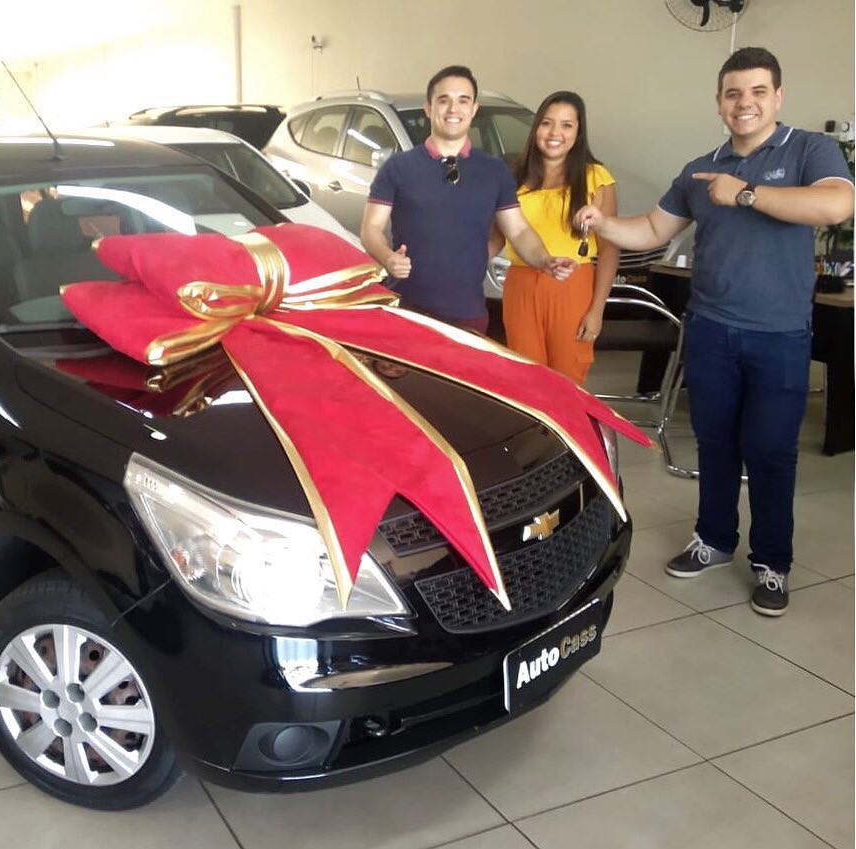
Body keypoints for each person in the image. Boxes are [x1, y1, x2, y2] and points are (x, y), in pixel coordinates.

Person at [576, 47, 854, 616]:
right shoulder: (700, 169)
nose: (744, 103)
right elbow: (652, 228)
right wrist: (602, 223)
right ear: (720, 102)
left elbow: (837, 205)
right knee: (715, 442)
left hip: (779, 335)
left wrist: (746, 193)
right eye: (733, 93)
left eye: (757, 92)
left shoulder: (808, 149)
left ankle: (772, 562)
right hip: (710, 330)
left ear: (778, 97)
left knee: (771, 451)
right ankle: (714, 539)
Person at [361, 65, 576, 334]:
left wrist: (546, 260)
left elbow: (518, 230)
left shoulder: (494, 171)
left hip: (468, 313)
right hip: (407, 308)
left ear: (474, 109)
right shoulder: (398, 167)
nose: (454, 109)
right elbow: (371, 229)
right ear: (428, 108)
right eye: (444, 100)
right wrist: (388, 257)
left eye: (463, 100)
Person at [491, 91, 618, 384]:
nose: (554, 133)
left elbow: (610, 250)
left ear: (578, 132)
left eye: (566, 125)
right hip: (521, 287)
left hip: (572, 286)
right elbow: (495, 239)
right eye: (547, 123)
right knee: (525, 380)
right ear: (536, 127)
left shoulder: (596, 177)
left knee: (567, 380)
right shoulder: (513, 178)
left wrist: (597, 310)